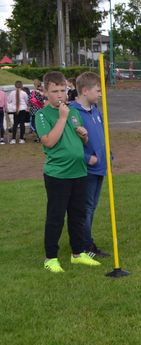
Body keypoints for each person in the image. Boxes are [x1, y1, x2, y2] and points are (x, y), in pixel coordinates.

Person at [36, 71, 101, 273]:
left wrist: (84, 135)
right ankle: (51, 258)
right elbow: (49, 141)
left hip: (79, 172)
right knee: (56, 216)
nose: (60, 95)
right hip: (58, 174)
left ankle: (78, 253)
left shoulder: (73, 112)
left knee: (78, 215)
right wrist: (62, 118)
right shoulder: (41, 114)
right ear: (45, 92)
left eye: (63, 90)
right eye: (55, 91)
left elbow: (82, 141)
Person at [70, 72, 110, 258]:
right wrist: (87, 158)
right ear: (85, 91)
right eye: (98, 90)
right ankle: (85, 245)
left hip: (100, 167)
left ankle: (85, 241)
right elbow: (70, 142)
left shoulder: (96, 111)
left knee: (92, 207)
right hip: (86, 169)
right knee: (85, 208)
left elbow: (101, 136)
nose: (101, 93)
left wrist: (107, 154)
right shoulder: (73, 112)